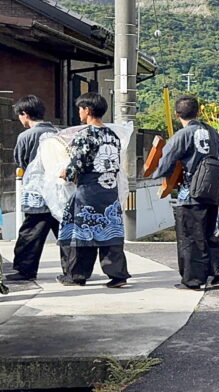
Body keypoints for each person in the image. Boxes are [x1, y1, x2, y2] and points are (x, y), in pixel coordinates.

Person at [152, 95, 219, 291]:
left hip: (190, 194)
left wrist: (156, 175)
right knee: (206, 233)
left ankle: (193, 280)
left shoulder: (183, 134)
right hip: (212, 192)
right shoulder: (213, 133)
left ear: (177, 114)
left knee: (190, 238)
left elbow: (166, 161)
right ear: (199, 112)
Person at [57, 93, 130, 288]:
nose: (79, 113)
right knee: (110, 231)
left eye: (80, 109)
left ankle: (77, 275)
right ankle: (117, 275)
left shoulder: (85, 135)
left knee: (83, 231)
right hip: (109, 189)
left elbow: (76, 164)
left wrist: (66, 172)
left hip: (88, 190)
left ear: (87, 110)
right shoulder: (113, 136)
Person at [7, 95, 59, 281]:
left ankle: (25, 270)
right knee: (65, 233)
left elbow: (21, 161)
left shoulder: (25, 136)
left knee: (30, 232)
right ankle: (74, 271)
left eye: (19, 115)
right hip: (59, 192)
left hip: (37, 192)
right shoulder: (57, 133)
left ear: (25, 113)